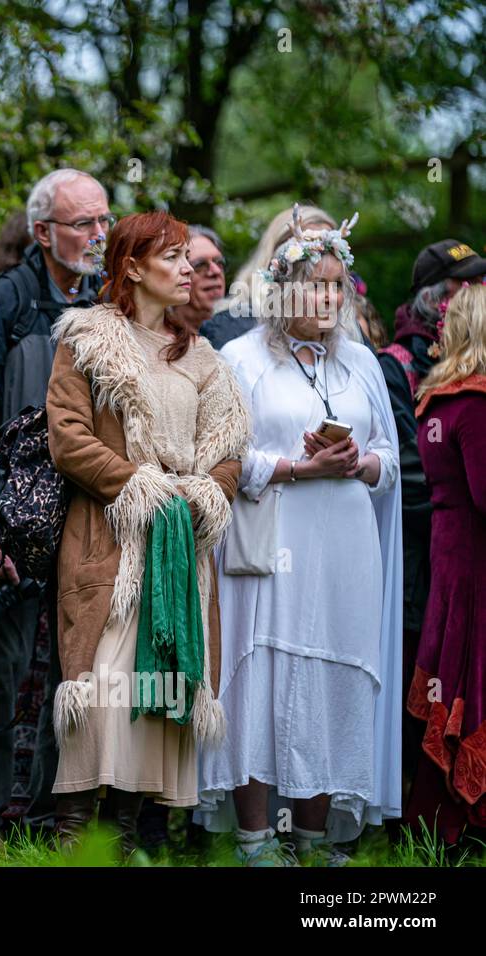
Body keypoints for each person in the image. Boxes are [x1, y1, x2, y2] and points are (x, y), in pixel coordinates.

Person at [198, 209, 403, 865]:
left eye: (339, 285)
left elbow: (390, 458)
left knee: (331, 678)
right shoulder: (241, 358)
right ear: (282, 290)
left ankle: (312, 837)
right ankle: (257, 836)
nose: (331, 298)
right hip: (271, 540)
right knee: (264, 674)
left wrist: (359, 463)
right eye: (318, 285)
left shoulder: (362, 364)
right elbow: (222, 457)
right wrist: (296, 465)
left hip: (344, 545)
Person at [45, 211, 248, 855]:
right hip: (109, 543)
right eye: (175, 257)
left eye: (190, 257)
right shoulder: (88, 339)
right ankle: (75, 838)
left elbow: (229, 451)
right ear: (132, 268)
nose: (190, 269)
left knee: (157, 694)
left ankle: (129, 839)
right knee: (100, 686)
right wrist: (136, 484)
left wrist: (204, 493)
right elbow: (67, 437)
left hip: (179, 546)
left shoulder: (205, 359)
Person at [0, 168, 111, 841]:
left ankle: (46, 818)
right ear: (42, 233)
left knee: (74, 671)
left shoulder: (109, 310)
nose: (98, 237)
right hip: (7, 519)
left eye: (103, 222)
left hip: (86, 517)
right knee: (3, 673)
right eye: (82, 225)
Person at [377, 239, 486, 790]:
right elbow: (409, 474)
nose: (476, 293)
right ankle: (414, 809)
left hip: (450, 548)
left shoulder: (465, 366)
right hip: (420, 555)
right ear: (434, 298)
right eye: (463, 284)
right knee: (422, 672)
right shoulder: (396, 367)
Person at [405, 282, 486, 846]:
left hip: (449, 557)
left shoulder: (441, 397)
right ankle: (467, 822)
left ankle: (436, 820)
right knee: (472, 680)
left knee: (448, 675)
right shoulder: (478, 403)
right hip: (476, 563)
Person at [202, 205, 337, 351]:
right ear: (281, 255)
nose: (323, 257)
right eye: (310, 248)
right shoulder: (231, 325)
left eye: (330, 246)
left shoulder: (346, 323)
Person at [169, 225, 226, 336]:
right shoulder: (152, 342)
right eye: (200, 265)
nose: (216, 271)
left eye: (219, 262)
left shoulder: (246, 331)